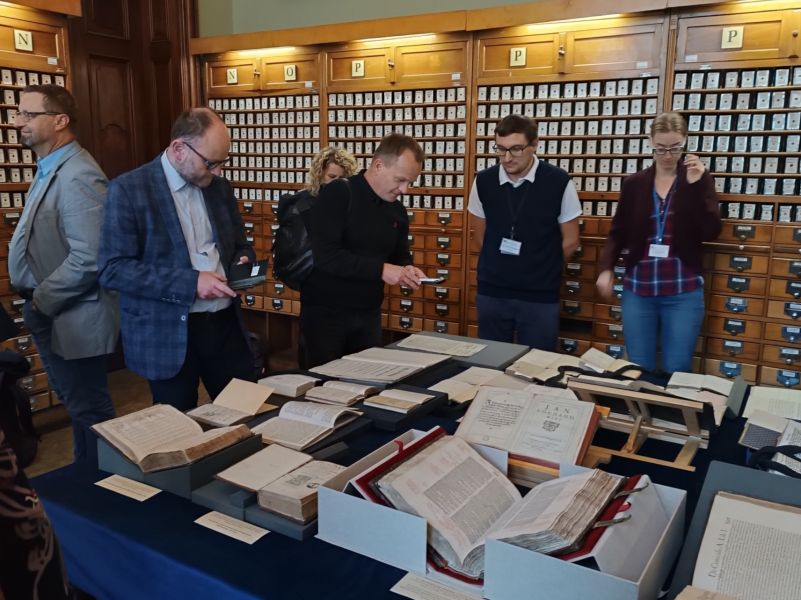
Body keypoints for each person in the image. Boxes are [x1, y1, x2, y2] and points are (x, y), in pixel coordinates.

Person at [99, 108, 255, 411]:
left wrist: (243, 265)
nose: (218, 171)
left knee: (243, 414)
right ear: (179, 149)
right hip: (167, 332)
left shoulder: (219, 188)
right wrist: (191, 282)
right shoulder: (129, 190)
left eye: (223, 162)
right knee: (179, 426)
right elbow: (113, 269)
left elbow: (238, 245)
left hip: (223, 325)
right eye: (211, 162)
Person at [8, 84, 117, 462]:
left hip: (68, 311)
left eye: (27, 115)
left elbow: (89, 257)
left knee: (90, 408)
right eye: (17, 114)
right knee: (82, 407)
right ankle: (90, 481)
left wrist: (41, 301)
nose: (17, 122)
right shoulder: (51, 167)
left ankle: (101, 488)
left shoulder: (78, 175)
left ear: (60, 121)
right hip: (55, 311)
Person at [596, 112, 721, 373]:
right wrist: (606, 269)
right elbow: (618, 232)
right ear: (651, 142)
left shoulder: (698, 179)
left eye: (675, 148)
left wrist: (696, 187)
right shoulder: (635, 184)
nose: (667, 155)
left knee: (677, 367)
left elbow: (711, 231)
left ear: (685, 142)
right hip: (639, 289)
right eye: (660, 148)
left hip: (682, 289)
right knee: (637, 366)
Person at [300, 133, 427, 368]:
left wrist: (407, 267)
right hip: (326, 316)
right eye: (400, 180)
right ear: (378, 165)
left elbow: (399, 253)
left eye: (410, 182)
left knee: (365, 386)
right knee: (324, 389)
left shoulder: (396, 210)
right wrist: (381, 270)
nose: (405, 190)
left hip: (368, 314)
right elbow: (326, 257)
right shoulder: (339, 193)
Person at [468, 114, 581, 350]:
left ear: (535, 144)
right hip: (493, 293)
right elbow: (479, 235)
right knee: (490, 364)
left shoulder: (559, 181)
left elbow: (570, 241)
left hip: (539, 296)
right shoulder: (483, 182)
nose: (507, 158)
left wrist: (542, 269)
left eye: (516, 149)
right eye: (501, 149)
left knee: (537, 368)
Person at [275, 147, 358, 368]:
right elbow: (290, 258)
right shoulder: (301, 206)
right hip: (318, 300)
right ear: (319, 174)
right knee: (318, 367)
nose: (336, 184)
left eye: (343, 179)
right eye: (332, 177)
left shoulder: (352, 206)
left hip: (349, 300)